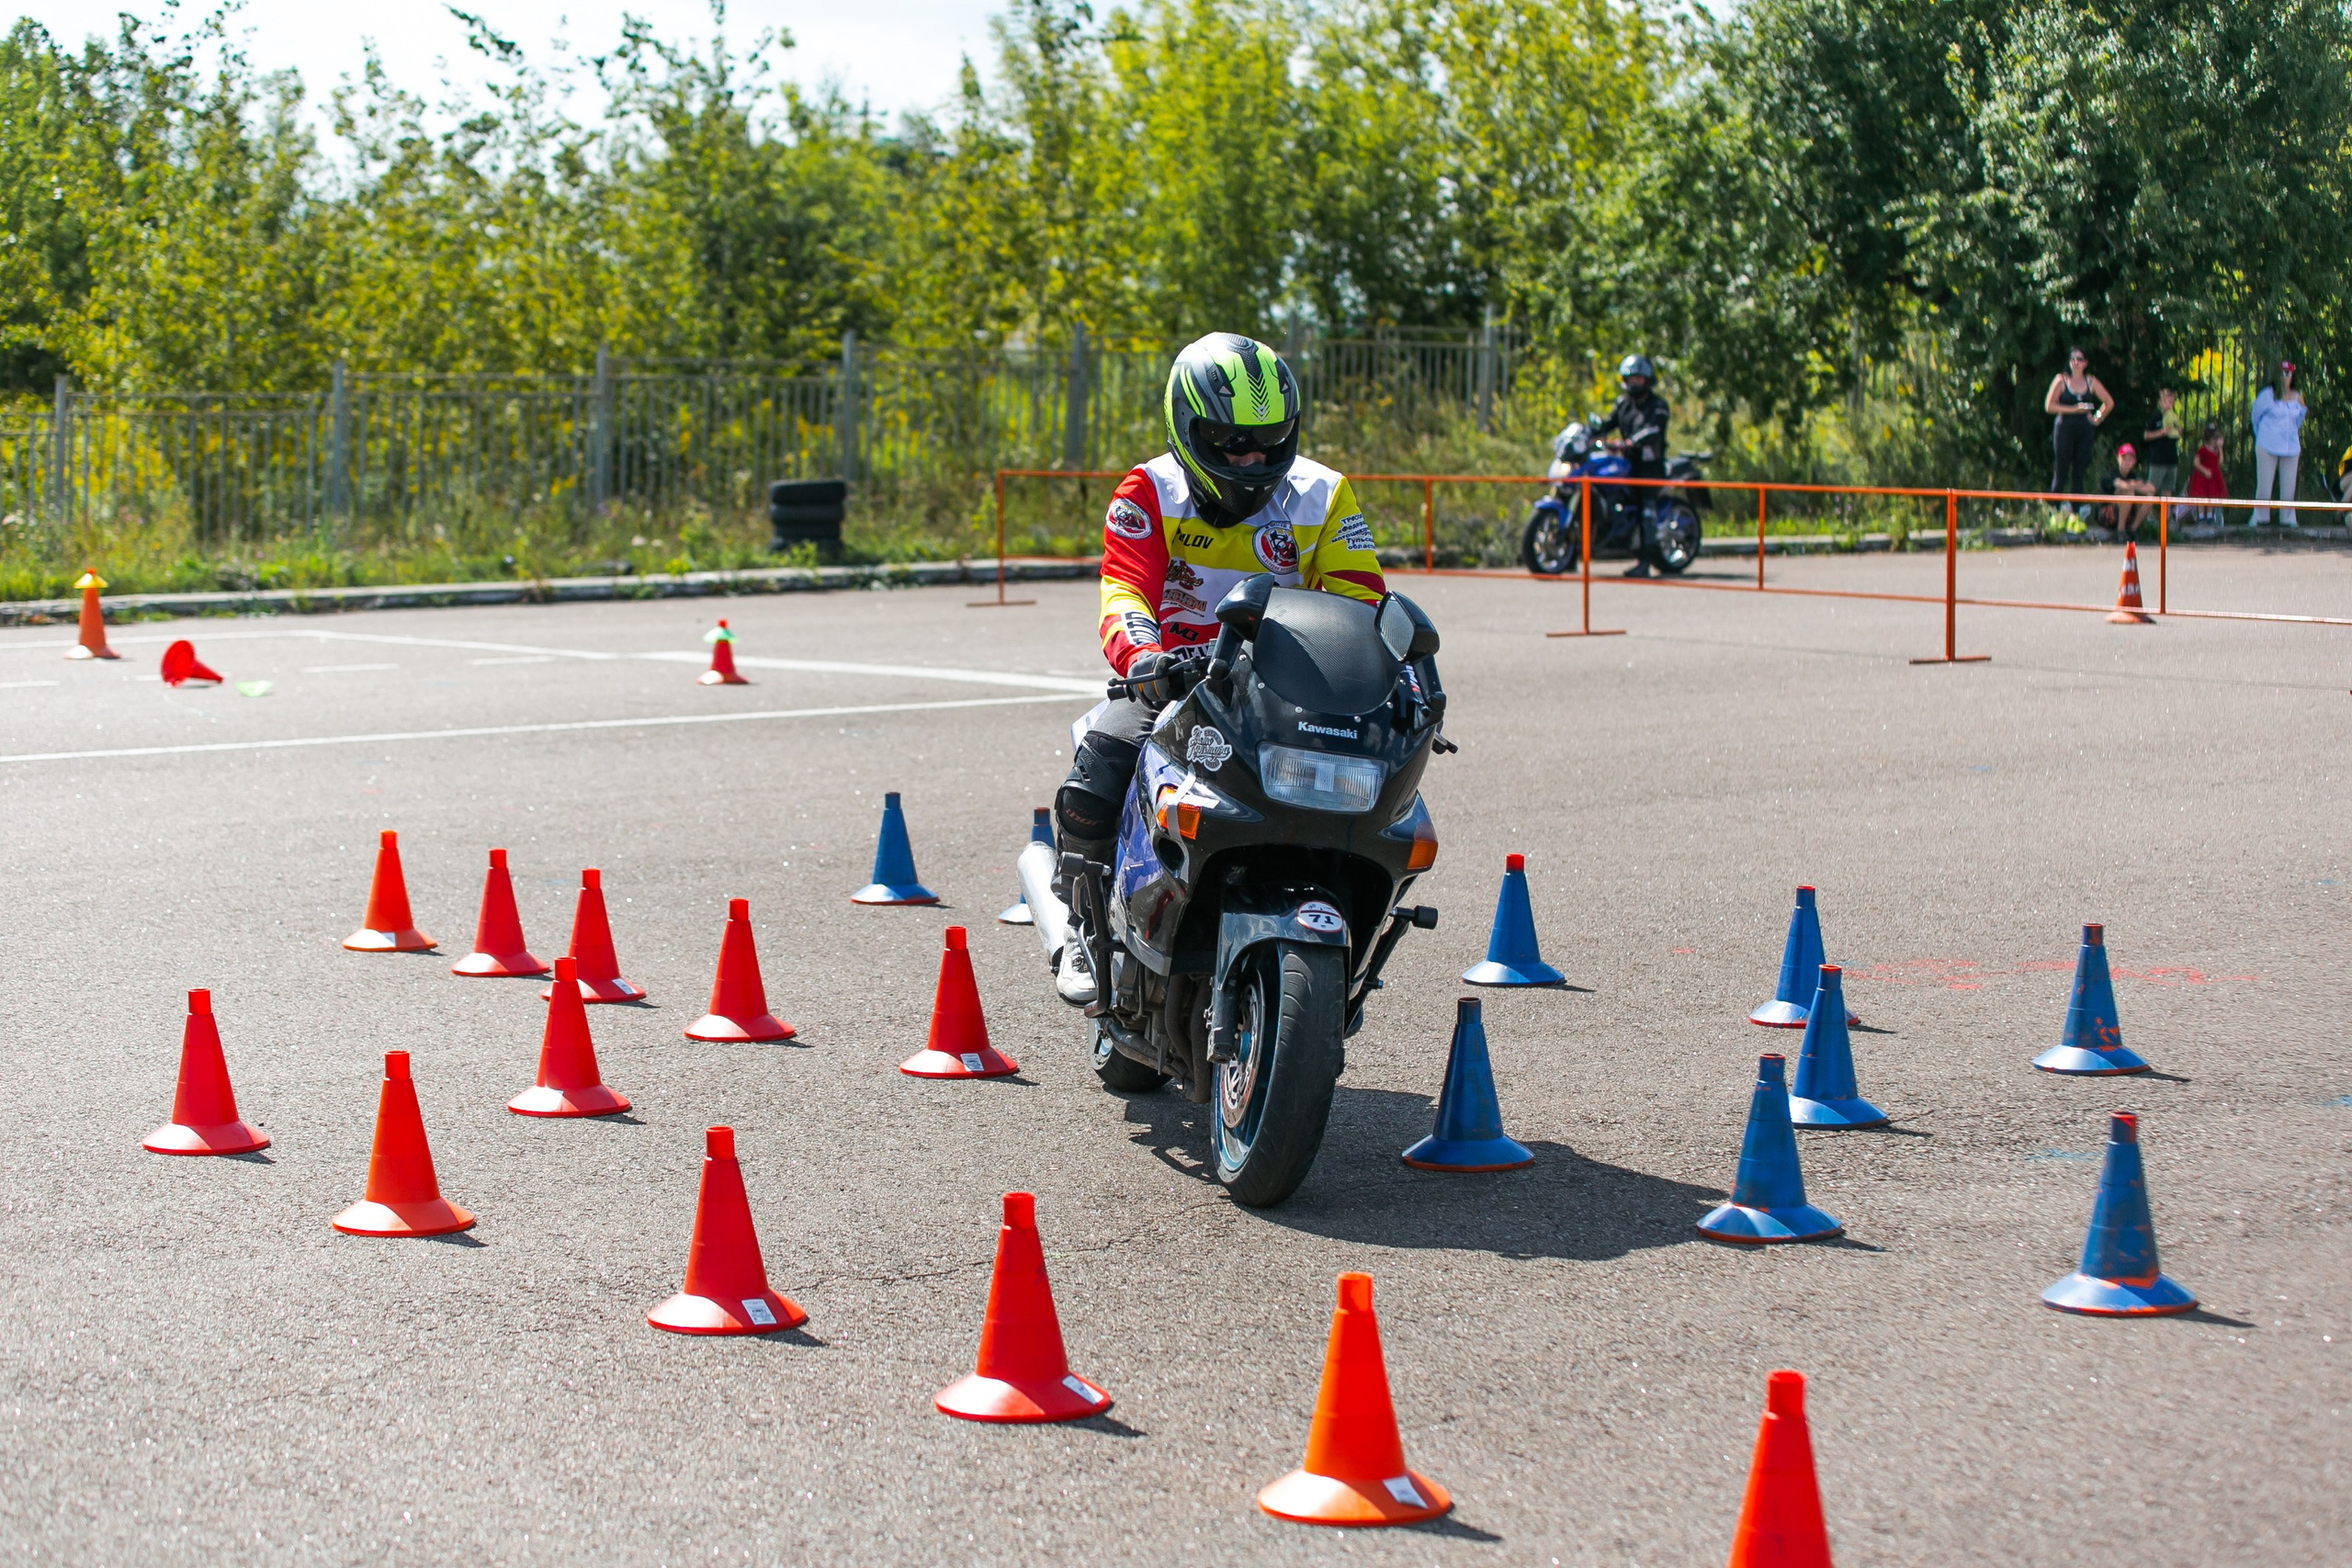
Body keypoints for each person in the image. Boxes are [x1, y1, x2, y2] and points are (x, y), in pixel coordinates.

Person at [1053, 332, 1387, 1003]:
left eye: (1268, 439)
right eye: (1233, 442)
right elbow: (1124, 589)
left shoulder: (1324, 495)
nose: (1253, 457)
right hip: (1178, 680)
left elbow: (1363, 599)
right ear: (1189, 428)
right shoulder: (1148, 490)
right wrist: (1144, 657)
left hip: (1283, 686)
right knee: (1104, 758)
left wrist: (1393, 671)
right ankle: (1079, 923)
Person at [1589, 353, 1671, 575]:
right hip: (1626, 464)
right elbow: (1607, 423)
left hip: (1649, 466)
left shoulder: (1658, 405)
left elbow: (1653, 430)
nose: (1634, 383)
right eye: (1630, 379)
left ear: (1647, 380)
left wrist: (1630, 442)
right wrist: (1590, 433)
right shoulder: (1623, 403)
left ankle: (1645, 562)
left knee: (1646, 509)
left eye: (1638, 378)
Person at [2043, 347, 2114, 520]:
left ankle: (2075, 515)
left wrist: (2098, 417)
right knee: (2061, 472)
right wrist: (2073, 409)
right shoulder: (2061, 380)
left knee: (2078, 473)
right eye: (2073, 359)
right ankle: (2054, 514)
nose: (2076, 362)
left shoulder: (2091, 382)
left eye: (2080, 359)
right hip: (2064, 429)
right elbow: (2049, 406)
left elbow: (2109, 402)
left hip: (2084, 431)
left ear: (2086, 363)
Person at [2250, 360, 2306, 526]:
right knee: (2264, 485)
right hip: (2268, 444)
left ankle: (2288, 519)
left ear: (2292, 376)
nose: (2284, 377)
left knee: (2289, 487)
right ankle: (2260, 517)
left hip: (2291, 446)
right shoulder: (2267, 394)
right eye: (2281, 373)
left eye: (2287, 374)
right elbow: (2256, 416)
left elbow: (2299, 420)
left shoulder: (2297, 397)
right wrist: (2262, 435)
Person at [2098, 443, 2157, 542]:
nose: (2126, 462)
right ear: (2118, 458)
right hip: (2106, 515)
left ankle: (2132, 530)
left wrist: (2131, 485)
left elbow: (2152, 488)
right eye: (2124, 458)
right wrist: (2135, 485)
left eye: (2130, 459)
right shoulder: (2111, 474)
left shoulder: (2133, 475)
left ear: (2134, 462)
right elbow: (2123, 486)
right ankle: (2120, 531)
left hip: (2127, 514)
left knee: (2149, 497)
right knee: (2128, 493)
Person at [2141, 389, 2182, 496]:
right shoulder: (2155, 417)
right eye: (2165, 402)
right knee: (2151, 489)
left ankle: (2166, 513)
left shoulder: (2174, 417)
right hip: (2158, 460)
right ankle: (2148, 512)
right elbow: (2146, 435)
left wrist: (2179, 432)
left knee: (2168, 491)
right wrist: (2161, 432)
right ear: (2160, 402)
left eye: (2170, 402)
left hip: (2171, 460)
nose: (2168, 405)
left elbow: (2177, 434)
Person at [2185, 422, 2227, 525]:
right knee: (2202, 495)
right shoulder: (2202, 450)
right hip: (2202, 477)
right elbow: (2196, 463)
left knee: (2212, 495)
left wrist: (2220, 449)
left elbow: (2220, 462)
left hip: (2213, 477)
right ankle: (2201, 516)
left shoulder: (2216, 451)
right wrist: (2204, 470)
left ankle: (2209, 515)